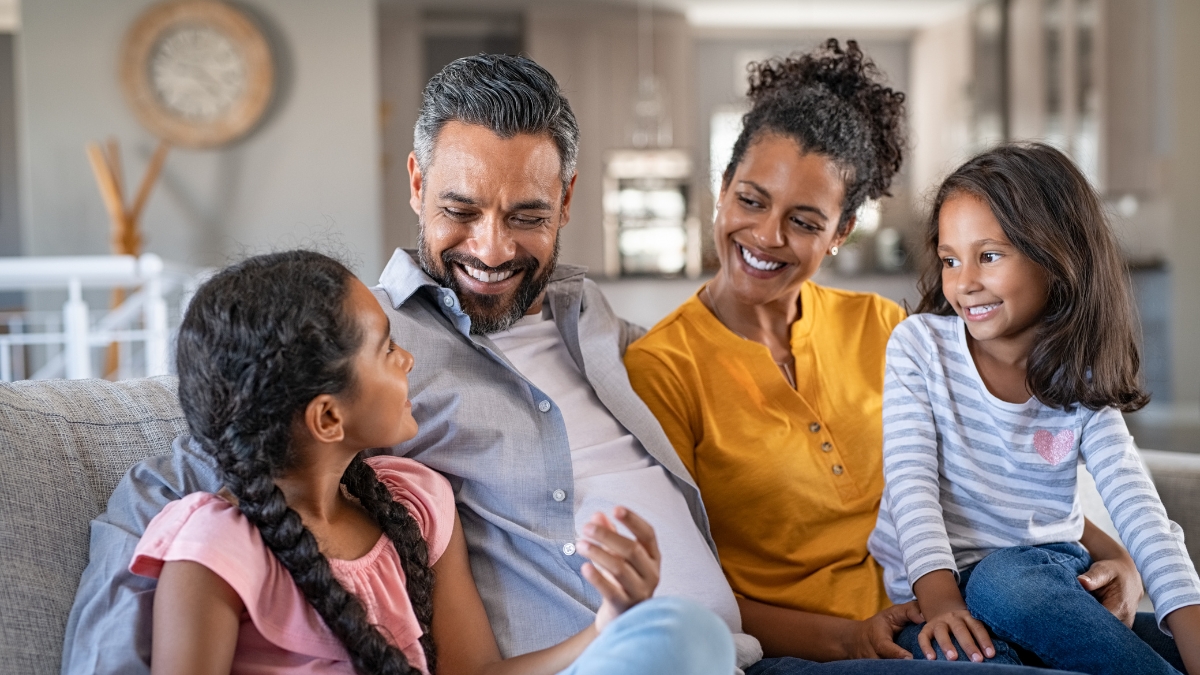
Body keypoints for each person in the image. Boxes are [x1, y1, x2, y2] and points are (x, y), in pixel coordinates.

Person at [62, 52, 1051, 675]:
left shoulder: (601, 322)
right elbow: (190, 471)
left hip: (744, 648)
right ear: (415, 182)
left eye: (527, 214)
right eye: (460, 209)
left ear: (568, 201)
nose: (492, 245)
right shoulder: (356, 358)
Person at [624, 40, 1144, 671]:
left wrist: (1112, 553)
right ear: (722, 189)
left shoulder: (886, 328)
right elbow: (687, 593)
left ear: (842, 233)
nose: (766, 236)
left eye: (806, 221)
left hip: (964, 614)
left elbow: (990, 473)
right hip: (819, 654)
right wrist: (849, 639)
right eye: (751, 200)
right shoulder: (662, 369)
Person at [136, 249, 732, 675]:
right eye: (388, 350)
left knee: (683, 630)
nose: (409, 363)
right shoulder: (216, 549)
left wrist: (609, 623)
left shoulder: (414, 502)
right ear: (327, 419)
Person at [866, 143, 1200, 674]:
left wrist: (1189, 624)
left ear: (1057, 256)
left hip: (1038, 581)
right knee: (955, 651)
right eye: (950, 259)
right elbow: (911, 487)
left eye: (989, 255)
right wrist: (943, 603)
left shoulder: (1079, 379)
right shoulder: (920, 347)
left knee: (1004, 582)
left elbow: (1141, 512)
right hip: (939, 600)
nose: (963, 282)